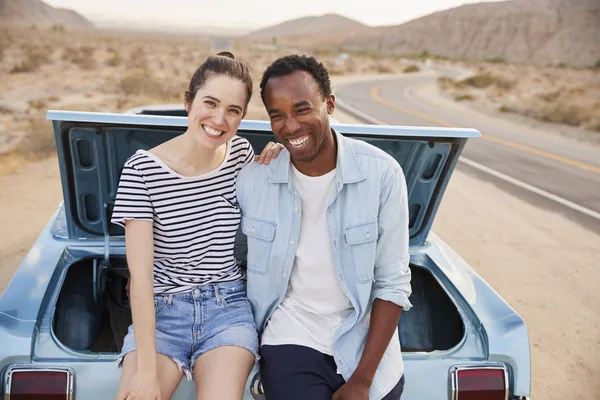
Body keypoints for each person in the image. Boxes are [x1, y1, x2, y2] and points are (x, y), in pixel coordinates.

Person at [236, 55, 412, 400]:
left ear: (329, 104)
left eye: (302, 110)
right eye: (277, 115)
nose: (290, 126)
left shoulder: (382, 174)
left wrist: (362, 380)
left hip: (364, 341)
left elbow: (393, 282)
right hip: (291, 333)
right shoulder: (253, 179)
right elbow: (229, 258)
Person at [111, 52, 281, 400]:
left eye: (233, 110)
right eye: (211, 103)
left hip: (228, 308)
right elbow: (140, 279)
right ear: (188, 102)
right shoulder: (142, 170)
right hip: (162, 312)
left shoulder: (240, 155)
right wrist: (146, 373)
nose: (219, 119)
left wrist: (277, 156)